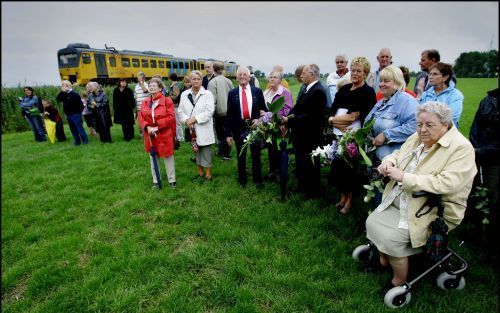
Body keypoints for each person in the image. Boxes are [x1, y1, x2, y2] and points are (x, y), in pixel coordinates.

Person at [366, 101, 476, 294]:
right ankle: (385, 259)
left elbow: (447, 183)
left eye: (429, 125)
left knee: (391, 238)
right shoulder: (418, 137)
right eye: (419, 124)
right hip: (405, 198)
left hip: (434, 208)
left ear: (445, 124)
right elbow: (399, 153)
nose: (422, 130)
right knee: (373, 221)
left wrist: (404, 177)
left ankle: (398, 280)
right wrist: (388, 161)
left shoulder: (461, 148)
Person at [327, 56, 377, 213]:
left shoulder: (368, 92)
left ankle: (350, 200)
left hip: (354, 136)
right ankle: (342, 195)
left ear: (365, 73)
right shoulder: (343, 89)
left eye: (359, 71)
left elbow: (366, 116)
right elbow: (333, 108)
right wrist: (334, 120)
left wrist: (348, 121)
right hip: (337, 133)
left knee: (351, 169)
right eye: (353, 70)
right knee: (338, 167)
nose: (354, 73)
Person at [281, 64, 326, 199]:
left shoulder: (318, 91)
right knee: (302, 162)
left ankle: (312, 193)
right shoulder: (308, 89)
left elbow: (311, 117)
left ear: (312, 75)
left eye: (304, 73)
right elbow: (298, 108)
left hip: (310, 136)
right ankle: (304, 188)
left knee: (311, 164)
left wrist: (288, 121)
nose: (301, 76)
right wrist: (287, 117)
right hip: (302, 134)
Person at [468, 88, 499, 262]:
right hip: (478, 155)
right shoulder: (488, 99)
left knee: (493, 201)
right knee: (475, 196)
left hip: (495, 161)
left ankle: (491, 247)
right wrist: (474, 150)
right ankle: (476, 233)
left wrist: (481, 151)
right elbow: (476, 126)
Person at [225, 66, 267, 188]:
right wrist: (228, 134)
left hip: (254, 127)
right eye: (240, 74)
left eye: (245, 74)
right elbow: (229, 114)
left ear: (249, 77)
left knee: (256, 155)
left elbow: (264, 110)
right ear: (237, 77)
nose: (242, 76)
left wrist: (259, 120)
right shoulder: (232, 93)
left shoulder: (257, 92)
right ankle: (242, 180)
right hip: (239, 128)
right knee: (241, 155)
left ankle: (258, 180)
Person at [365, 65, 418, 161]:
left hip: (395, 160)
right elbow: (367, 124)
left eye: (386, 81)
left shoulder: (406, 100)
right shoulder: (381, 102)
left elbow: (415, 126)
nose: (381, 84)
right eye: (380, 81)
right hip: (376, 158)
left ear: (397, 82)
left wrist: (386, 135)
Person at [138, 77, 177, 189]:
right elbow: (141, 117)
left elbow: (171, 118)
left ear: (160, 88)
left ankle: (172, 181)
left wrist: (157, 127)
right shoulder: (145, 102)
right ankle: (156, 180)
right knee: (153, 157)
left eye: (154, 86)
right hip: (150, 135)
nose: (151, 87)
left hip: (164, 134)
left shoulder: (167, 101)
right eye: (150, 86)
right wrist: (147, 127)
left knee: (168, 157)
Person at [178, 71, 216, 181]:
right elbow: (180, 111)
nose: (195, 81)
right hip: (191, 128)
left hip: (203, 127)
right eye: (193, 79)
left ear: (201, 80)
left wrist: (193, 120)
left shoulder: (207, 94)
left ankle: (208, 174)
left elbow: (209, 112)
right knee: (196, 149)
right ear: (190, 80)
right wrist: (186, 121)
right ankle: (200, 173)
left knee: (206, 150)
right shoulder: (185, 94)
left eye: (198, 79)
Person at [263, 70, 294, 180]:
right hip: (268, 125)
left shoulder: (285, 92)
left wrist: (278, 119)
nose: (272, 79)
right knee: (271, 148)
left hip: (280, 125)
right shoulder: (266, 93)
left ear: (280, 80)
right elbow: (262, 109)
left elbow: (288, 109)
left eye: (275, 77)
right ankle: (272, 170)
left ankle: (281, 172)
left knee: (280, 149)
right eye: (270, 77)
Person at [419, 62, 464, 128]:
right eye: (430, 74)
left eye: (435, 74)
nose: (430, 77)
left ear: (445, 77)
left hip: (447, 133)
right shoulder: (425, 94)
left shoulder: (456, 95)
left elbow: (451, 117)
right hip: (426, 131)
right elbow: (419, 115)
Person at [208, 61, 234, 160]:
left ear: (213, 69)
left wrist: (210, 113)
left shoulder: (212, 82)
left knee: (220, 134)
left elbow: (212, 100)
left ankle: (224, 154)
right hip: (229, 111)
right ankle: (226, 152)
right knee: (227, 133)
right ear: (223, 70)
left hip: (219, 112)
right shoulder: (229, 81)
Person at [56, 80, 88, 145]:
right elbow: (58, 98)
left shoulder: (74, 94)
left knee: (79, 128)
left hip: (75, 114)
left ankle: (85, 141)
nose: (62, 87)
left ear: (68, 86)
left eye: (63, 85)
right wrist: (62, 91)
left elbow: (80, 105)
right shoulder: (64, 94)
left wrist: (78, 113)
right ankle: (77, 141)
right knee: (72, 129)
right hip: (68, 114)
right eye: (62, 86)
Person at [169, 72, 185, 146]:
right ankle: (179, 136)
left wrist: (169, 96)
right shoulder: (175, 85)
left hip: (176, 106)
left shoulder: (175, 86)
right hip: (175, 106)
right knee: (177, 122)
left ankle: (180, 137)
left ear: (170, 79)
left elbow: (176, 96)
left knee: (177, 123)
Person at [134, 72, 149, 137]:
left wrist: (142, 84)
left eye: (140, 77)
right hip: (139, 108)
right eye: (138, 78)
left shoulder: (147, 85)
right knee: (140, 122)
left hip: (146, 108)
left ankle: (148, 134)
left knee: (147, 121)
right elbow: (135, 97)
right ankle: (142, 135)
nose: (139, 79)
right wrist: (135, 109)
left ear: (144, 78)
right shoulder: (136, 86)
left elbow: (145, 91)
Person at [181, 76, 192, 142]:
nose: (187, 84)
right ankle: (188, 138)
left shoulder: (192, 90)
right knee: (186, 124)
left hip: (191, 109)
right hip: (185, 109)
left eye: (188, 82)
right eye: (185, 82)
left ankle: (192, 137)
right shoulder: (183, 90)